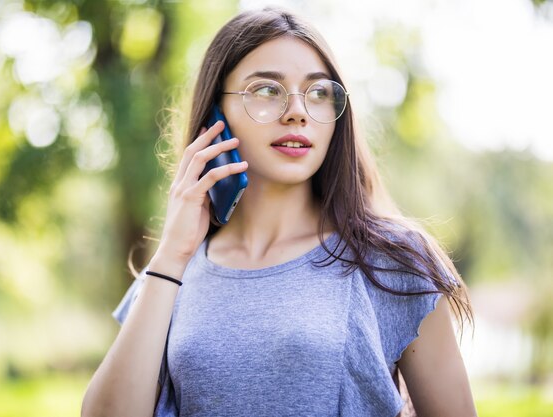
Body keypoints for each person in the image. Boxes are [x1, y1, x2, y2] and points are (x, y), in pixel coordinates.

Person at [81, 7, 477, 417]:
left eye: (319, 92)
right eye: (267, 90)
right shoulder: (170, 273)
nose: (297, 111)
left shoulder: (394, 260)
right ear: (217, 115)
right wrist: (172, 255)